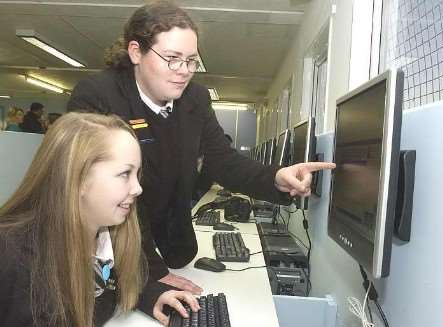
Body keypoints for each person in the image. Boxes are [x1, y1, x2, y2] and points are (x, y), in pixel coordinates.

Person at [67, 1, 335, 294]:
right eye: (171, 58)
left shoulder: (195, 98)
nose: (183, 71)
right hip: (115, 244)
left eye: (191, 60)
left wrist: (276, 177)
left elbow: (222, 161)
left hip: (171, 240)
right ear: (136, 52)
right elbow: (95, 196)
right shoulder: (97, 96)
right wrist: (148, 272)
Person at [0, 112, 199, 327]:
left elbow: (115, 283)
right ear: (77, 178)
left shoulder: (108, 233)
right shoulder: (13, 256)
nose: (138, 188)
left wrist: (151, 295)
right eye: (125, 174)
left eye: (137, 174)